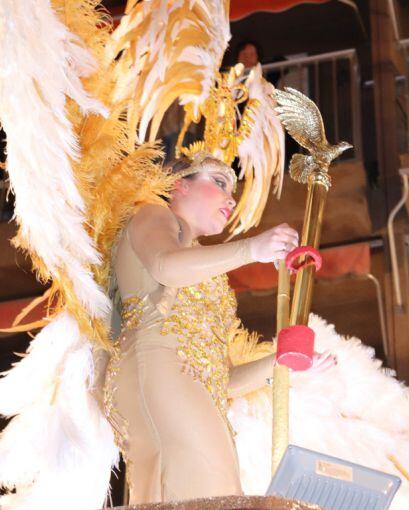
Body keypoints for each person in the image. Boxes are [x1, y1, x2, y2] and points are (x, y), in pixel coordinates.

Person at [108, 154, 331, 503]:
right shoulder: (153, 214)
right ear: (179, 185)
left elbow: (221, 379)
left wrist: (278, 362)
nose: (231, 198)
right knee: (216, 492)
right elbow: (165, 266)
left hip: (182, 382)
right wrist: (251, 248)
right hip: (157, 365)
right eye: (220, 182)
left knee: (206, 493)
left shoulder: (199, 259)